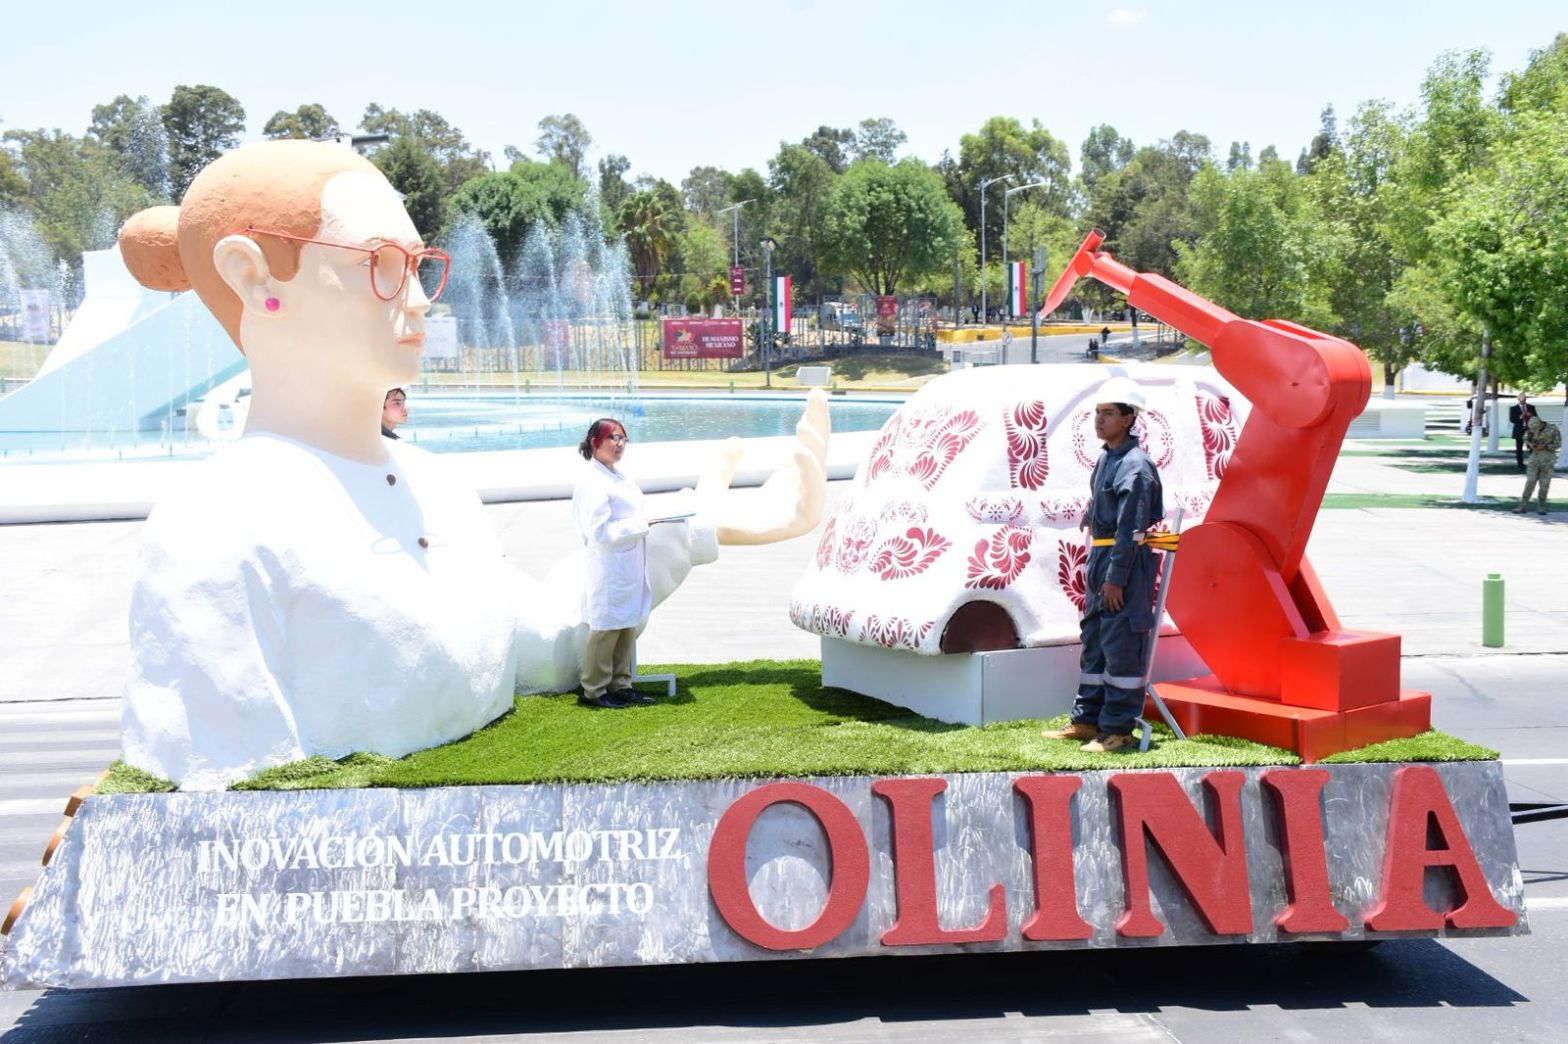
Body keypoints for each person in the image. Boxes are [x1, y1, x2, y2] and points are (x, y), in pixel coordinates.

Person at [116, 140, 517, 789]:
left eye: (419, 264)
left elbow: (528, 646)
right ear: (253, 277)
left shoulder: (439, 485)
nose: (419, 299)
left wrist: (665, 545)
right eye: (380, 263)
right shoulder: (216, 529)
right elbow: (226, 794)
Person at [1044, 376, 1165, 753]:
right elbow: (1106, 503)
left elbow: (1131, 527)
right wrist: (1091, 513)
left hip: (1124, 563)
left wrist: (1116, 578)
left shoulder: (1136, 466)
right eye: (1097, 412)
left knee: (1121, 643)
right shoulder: (1107, 458)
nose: (1099, 419)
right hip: (1101, 557)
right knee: (1095, 640)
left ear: (1129, 418)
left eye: (1108, 413)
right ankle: (1087, 721)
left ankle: (1118, 729)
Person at [572, 418, 659, 708]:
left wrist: (642, 523)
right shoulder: (593, 481)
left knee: (626, 623)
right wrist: (640, 525)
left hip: (628, 563)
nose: (620, 444)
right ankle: (594, 690)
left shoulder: (617, 475)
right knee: (606, 627)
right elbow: (598, 531)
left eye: (623, 438)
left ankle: (621, 684)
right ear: (595, 442)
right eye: (614, 438)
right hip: (609, 565)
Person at [1516, 414, 1561, 516]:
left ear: (1541, 424)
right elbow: (1526, 438)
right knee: (1530, 482)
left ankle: (1541, 506)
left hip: (1548, 459)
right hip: (1535, 458)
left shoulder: (1553, 429)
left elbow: (1558, 444)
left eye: (1535, 428)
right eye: (1532, 428)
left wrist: (1545, 446)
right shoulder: (1531, 428)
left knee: (1544, 484)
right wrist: (1531, 444)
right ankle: (1523, 506)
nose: (1533, 430)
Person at [1509, 393, 1537, 471]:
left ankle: (1533, 464)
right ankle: (1520, 465)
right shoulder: (1513, 408)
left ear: (1526, 399)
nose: (1523, 401)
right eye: (1521, 399)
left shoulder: (1531, 407)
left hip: (1530, 430)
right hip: (1519, 431)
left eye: (1524, 399)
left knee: (1532, 448)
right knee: (1519, 449)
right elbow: (1512, 420)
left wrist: (1531, 415)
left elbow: (1536, 418)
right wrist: (1520, 416)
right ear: (1518, 399)